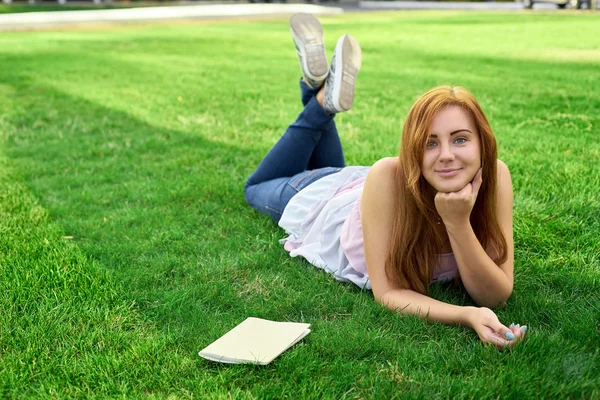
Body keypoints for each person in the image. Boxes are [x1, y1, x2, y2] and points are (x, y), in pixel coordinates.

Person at [244, 13, 527, 349]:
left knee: (324, 152)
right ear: (413, 152)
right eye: (430, 142)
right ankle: (320, 100)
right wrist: (464, 314)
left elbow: (495, 293)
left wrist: (458, 222)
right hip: (322, 197)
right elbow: (389, 292)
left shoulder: (498, 177)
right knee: (255, 188)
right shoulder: (388, 175)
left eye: (461, 139)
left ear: (483, 143)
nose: (447, 154)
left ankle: (318, 90)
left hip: (364, 199)